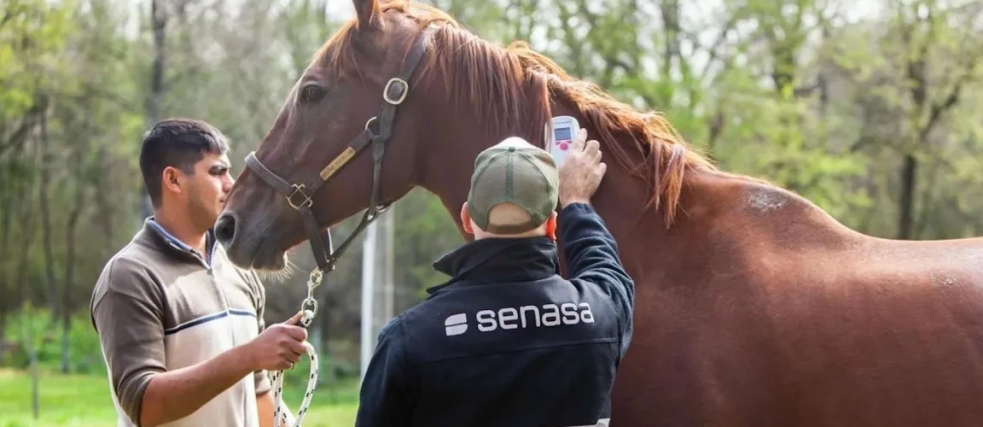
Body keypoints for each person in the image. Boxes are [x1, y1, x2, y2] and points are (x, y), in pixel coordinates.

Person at [355, 129, 636, 427]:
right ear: (553, 226)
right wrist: (577, 202)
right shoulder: (603, 313)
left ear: (466, 219)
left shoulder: (408, 338)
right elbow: (603, 264)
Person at [90, 118, 307, 427]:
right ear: (173, 180)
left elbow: (257, 393)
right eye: (217, 172)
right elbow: (144, 405)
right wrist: (249, 355)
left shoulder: (237, 267)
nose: (230, 184)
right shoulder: (129, 276)